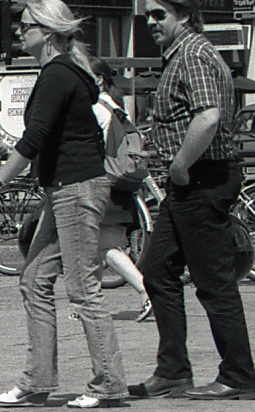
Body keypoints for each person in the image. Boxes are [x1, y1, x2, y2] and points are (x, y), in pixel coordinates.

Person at [0, 0, 126, 408]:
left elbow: (38, 136)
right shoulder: (63, 72)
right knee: (35, 279)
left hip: (75, 190)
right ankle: (38, 379)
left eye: (26, 26)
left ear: (49, 32)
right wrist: (10, 151)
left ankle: (108, 383)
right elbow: (52, 136)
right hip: (64, 188)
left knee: (82, 289)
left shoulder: (57, 74)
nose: (20, 32)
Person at [128, 0, 255, 401]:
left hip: (203, 179)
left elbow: (208, 117)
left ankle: (237, 376)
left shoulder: (195, 54)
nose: (151, 22)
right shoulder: (179, 54)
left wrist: (180, 166)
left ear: (184, 13)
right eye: (148, 15)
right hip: (186, 183)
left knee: (213, 280)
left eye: (159, 14)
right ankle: (173, 371)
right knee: (156, 269)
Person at [90, 58, 152, 322]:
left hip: (106, 183)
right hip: (123, 182)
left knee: (106, 247)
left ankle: (147, 290)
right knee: (96, 247)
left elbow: (94, 149)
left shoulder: (96, 108)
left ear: (99, 79)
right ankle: (89, 304)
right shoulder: (118, 106)